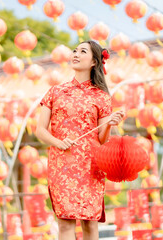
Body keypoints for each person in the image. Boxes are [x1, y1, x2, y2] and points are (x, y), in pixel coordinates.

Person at [36, 40, 126, 240]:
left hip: (91, 166)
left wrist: (110, 123)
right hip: (62, 165)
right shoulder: (55, 91)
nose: (75, 54)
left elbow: (102, 139)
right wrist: (58, 142)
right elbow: (40, 130)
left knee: (89, 224)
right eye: (75, 50)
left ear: (94, 61)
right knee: (65, 222)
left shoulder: (102, 97)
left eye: (82, 51)